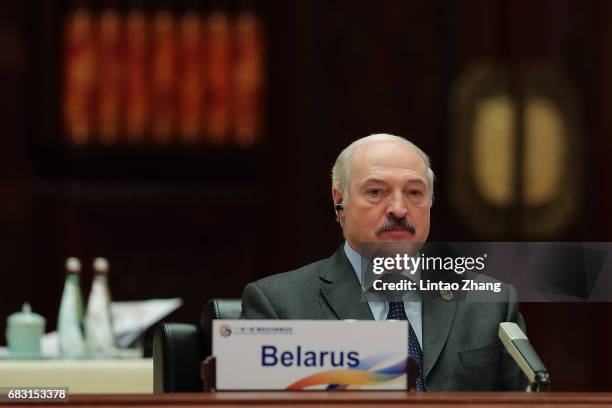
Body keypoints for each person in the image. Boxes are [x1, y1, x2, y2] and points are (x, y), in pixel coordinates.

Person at [240, 133, 525, 391]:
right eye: (376, 192)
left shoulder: (491, 304)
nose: (399, 209)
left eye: (414, 193)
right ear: (340, 203)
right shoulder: (279, 304)